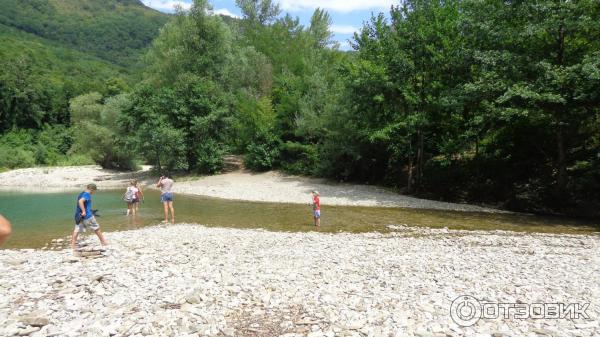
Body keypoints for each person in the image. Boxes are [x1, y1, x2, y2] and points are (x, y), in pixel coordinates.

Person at [71, 183, 107, 251]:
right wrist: (84, 211)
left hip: (79, 216)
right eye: (94, 191)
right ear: (91, 190)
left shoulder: (81, 193)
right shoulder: (87, 194)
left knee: (77, 230)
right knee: (96, 228)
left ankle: (73, 245)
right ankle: (103, 242)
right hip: (87, 216)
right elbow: (80, 201)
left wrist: (87, 210)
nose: (94, 192)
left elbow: (82, 203)